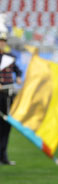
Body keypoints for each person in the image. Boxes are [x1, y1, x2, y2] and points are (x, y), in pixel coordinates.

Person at [0, 21, 22, 166]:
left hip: (7, 95)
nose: (2, 44)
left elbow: (17, 70)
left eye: (3, 42)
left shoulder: (9, 57)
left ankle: (3, 156)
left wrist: (19, 76)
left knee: (5, 126)